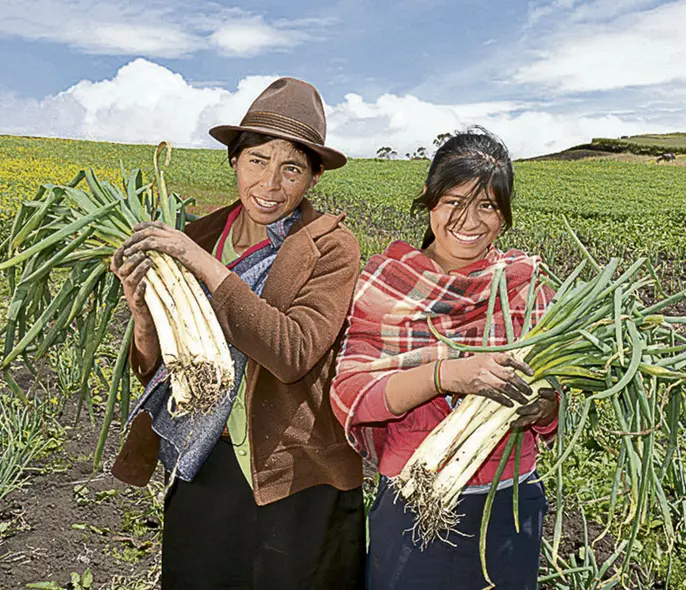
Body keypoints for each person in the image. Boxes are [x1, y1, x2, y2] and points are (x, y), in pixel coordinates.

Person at [109, 77, 366, 589]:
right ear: (234, 161)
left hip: (296, 471)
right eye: (257, 161)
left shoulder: (332, 248)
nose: (271, 184)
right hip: (206, 456)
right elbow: (157, 368)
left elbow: (293, 352)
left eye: (291, 167)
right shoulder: (200, 234)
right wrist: (142, 314)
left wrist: (202, 265)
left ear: (314, 177)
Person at [331, 128, 559, 589]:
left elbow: (557, 399)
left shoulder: (527, 286)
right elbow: (352, 393)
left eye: (487, 206)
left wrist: (545, 407)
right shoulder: (386, 284)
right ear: (429, 200)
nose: (469, 220)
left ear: (505, 216)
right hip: (414, 500)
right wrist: (446, 375)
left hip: (510, 502)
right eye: (454, 201)